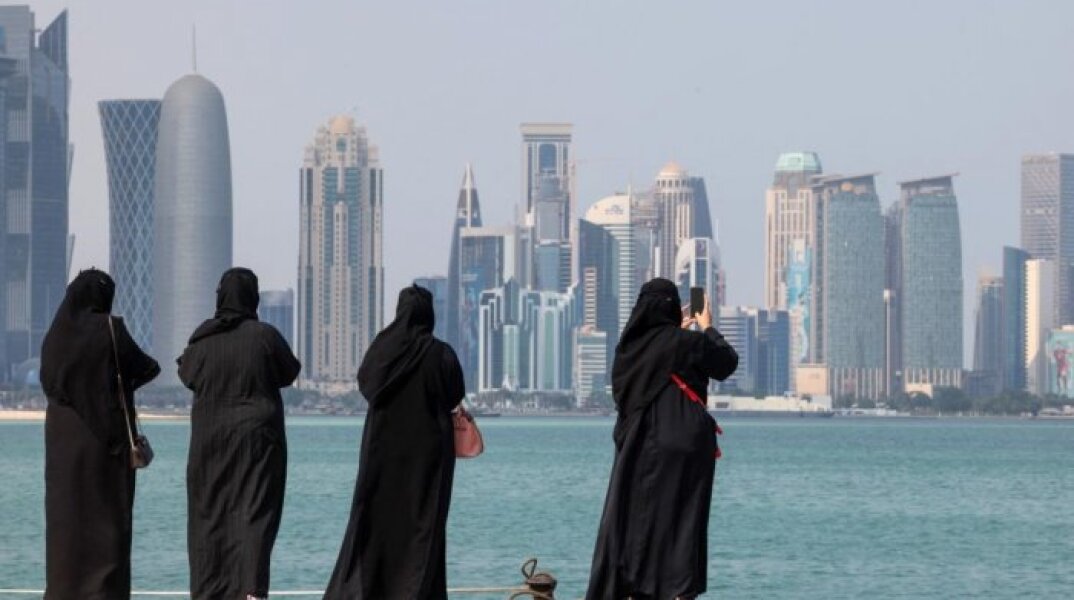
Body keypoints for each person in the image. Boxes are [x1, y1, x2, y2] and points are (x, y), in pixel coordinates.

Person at [586, 278, 738, 600]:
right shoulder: (686, 343)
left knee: (638, 516)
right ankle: (677, 590)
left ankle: (633, 587)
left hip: (638, 446)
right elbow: (726, 363)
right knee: (681, 520)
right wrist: (707, 327)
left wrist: (676, 334)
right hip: (684, 445)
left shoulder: (627, 351)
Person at [324, 284, 465, 600]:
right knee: (423, 526)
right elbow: (455, 392)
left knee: (376, 523)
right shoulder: (441, 354)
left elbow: (365, 385)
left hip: (382, 454)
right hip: (428, 459)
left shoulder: (381, 352)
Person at [179, 268, 301, 600]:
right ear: (252, 298)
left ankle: (209, 589)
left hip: (211, 442)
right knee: (254, 512)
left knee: (209, 513)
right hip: (258, 442)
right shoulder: (265, 337)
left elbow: (187, 375)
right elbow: (289, 372)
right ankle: (250, 589)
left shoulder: (203, 340)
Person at [40, 269, 161, 600]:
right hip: (106, 443)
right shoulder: (110, 329)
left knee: (66, 523)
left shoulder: (55, 336)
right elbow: (147, 367)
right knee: (108, 522)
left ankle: (63, 590)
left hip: (62, 442)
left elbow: (48, 379)